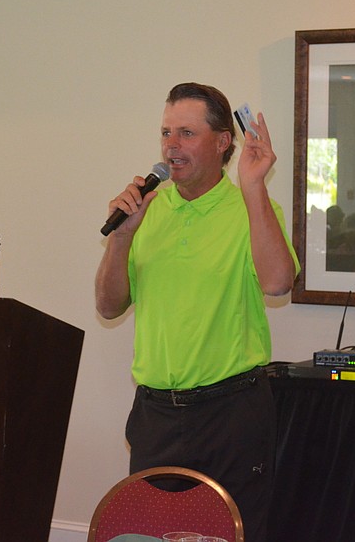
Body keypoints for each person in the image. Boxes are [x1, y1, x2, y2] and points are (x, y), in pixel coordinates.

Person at [95, 83, 299, 541]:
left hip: (231, 413)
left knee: (231, 534)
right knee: (151, 534)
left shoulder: (252, 208)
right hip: (155, 415)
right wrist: (122, 237)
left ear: (223, 141)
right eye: (166, 133)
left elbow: (277, 283)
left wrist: (253, 186)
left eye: (186, 133)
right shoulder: (147, 210)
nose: (171, 145)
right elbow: (108, 306)